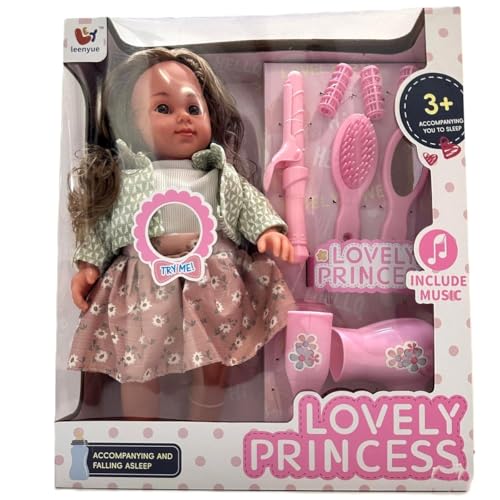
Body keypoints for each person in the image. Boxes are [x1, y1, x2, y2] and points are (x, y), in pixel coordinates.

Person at [67, 47, 296, 421]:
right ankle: (140, 429)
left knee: (215, 356)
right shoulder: (126, 182)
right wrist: (88, 265)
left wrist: (267, 230)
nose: (183, 118)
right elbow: (104, 226)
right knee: (138, 361)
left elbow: (247, 204)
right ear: (130, 124)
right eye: (163, 108)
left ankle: (204, 426)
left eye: (193, 108)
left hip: (211, 279)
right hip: (143, 285)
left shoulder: (217, 174)